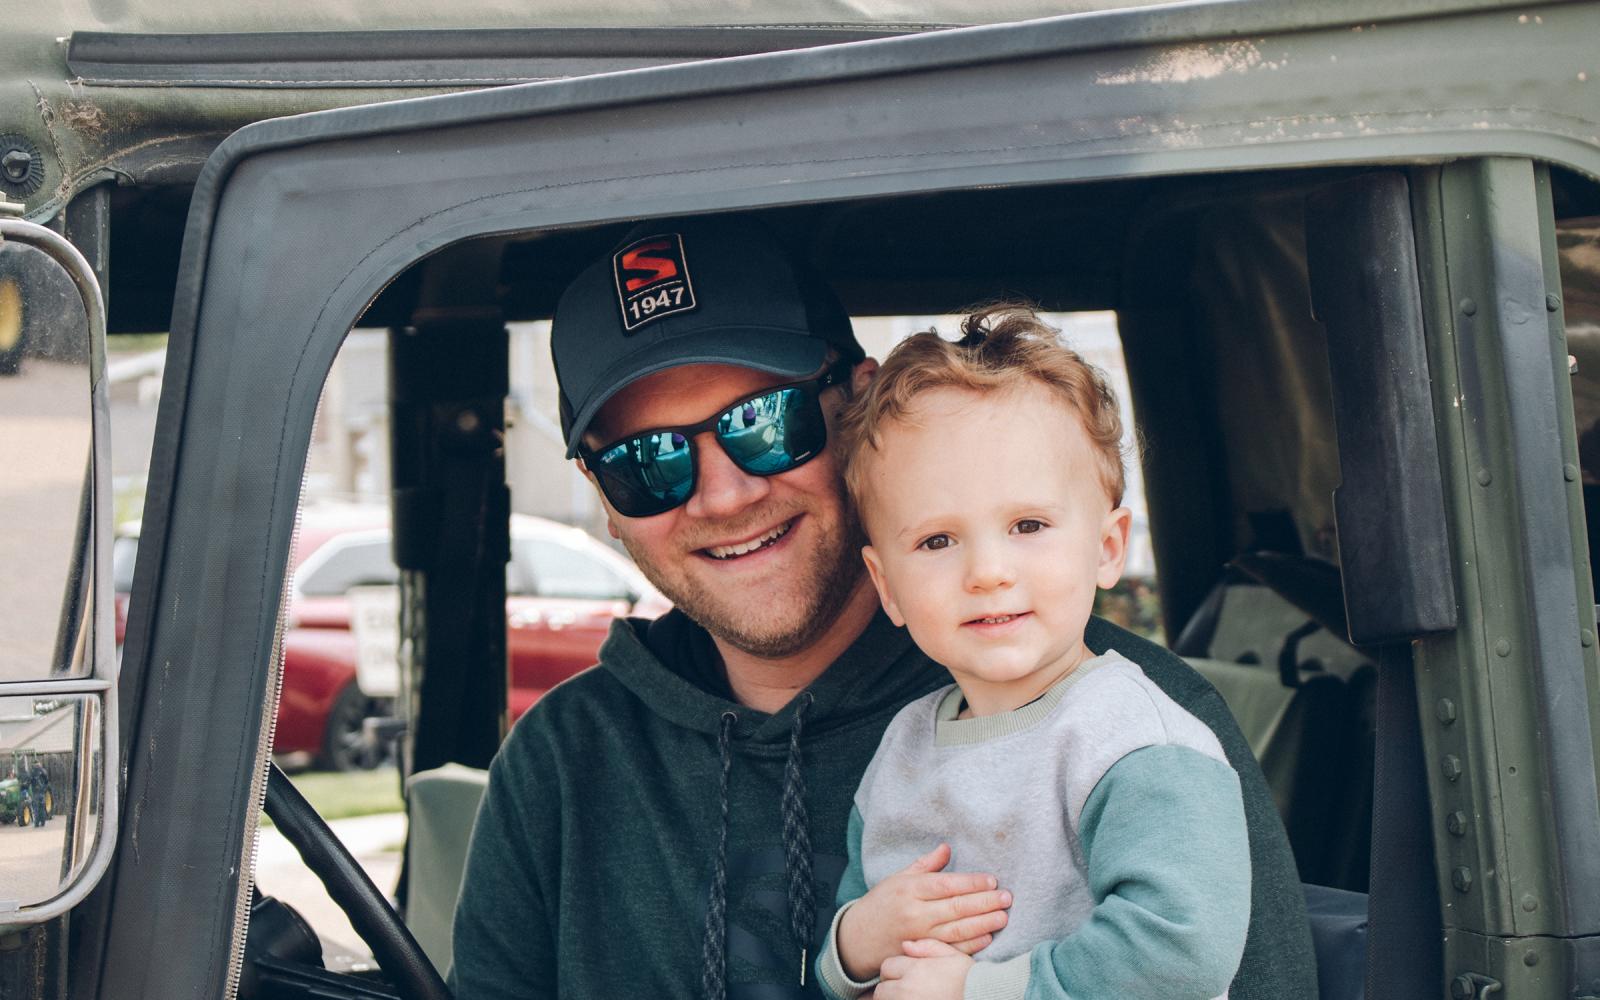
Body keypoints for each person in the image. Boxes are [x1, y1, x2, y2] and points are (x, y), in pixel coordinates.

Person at [448, 216, 1317, 1000]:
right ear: (602, 498)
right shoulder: (559, 764)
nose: (722, 495)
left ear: (854, 405)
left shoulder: (1129, 724)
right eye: (647, 463)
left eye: (765, 422)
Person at [815, 313, 1249, 1000]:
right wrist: (856, 943)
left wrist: (974, 992)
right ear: (886, 585)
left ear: (1108, 548)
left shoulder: (1136, 742)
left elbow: (1180, 951)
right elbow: (857, 943)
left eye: (1028, 525)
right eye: (936, 541)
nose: (988, 572)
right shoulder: (903, 750)